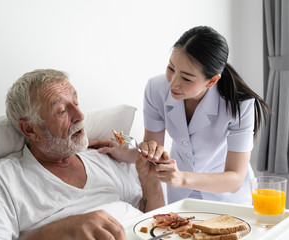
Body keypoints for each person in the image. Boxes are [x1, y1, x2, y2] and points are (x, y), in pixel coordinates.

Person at [0, 69, 164, 240]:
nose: (80, 115)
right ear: (30, 130)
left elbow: (158, 223)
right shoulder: (4, 179)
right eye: (61, 111)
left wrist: (150, 182)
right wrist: (59, 231)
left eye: (76, 102)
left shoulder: (102, 157)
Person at [93, 26, 271, 205]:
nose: (173, 83)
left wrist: (182, 178)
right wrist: (124, 153)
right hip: (182, 196)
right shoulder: (156, 89)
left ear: (211, 81)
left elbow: (235, 179)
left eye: (186, 78)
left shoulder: (240, 104)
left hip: (227, 198)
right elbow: (153, 153)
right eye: (171, 68)